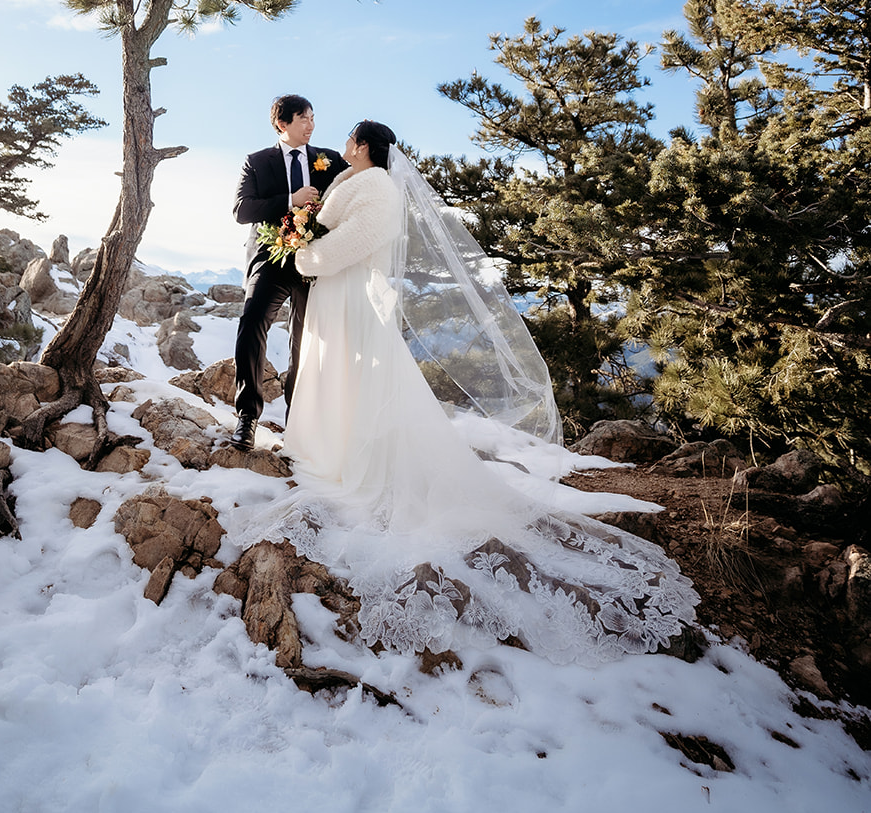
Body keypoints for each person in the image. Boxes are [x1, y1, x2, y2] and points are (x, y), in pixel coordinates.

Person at [244, 118, 700, 665]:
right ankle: (332, 443)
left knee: (362, 381)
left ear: (363, 146)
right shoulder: (353, 181)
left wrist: (303, 252)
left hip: (349, 301)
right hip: (336, 300)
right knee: (344, 377)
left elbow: (348, 244)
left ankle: (354, 455)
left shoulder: (376, 188)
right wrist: (303, 231)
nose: (340, 146)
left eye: (349, 140)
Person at [230, 94, 346, 451]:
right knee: (251, 324)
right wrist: (290, 200)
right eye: (303, 119)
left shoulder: (329, 160)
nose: (311, 125)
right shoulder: (257, 162)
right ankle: (247, 417)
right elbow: (241, 209)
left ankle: (298, 420)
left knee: (306, 340)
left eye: (313, 118)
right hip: (271, 258)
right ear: (282, 123)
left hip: (317, 262)